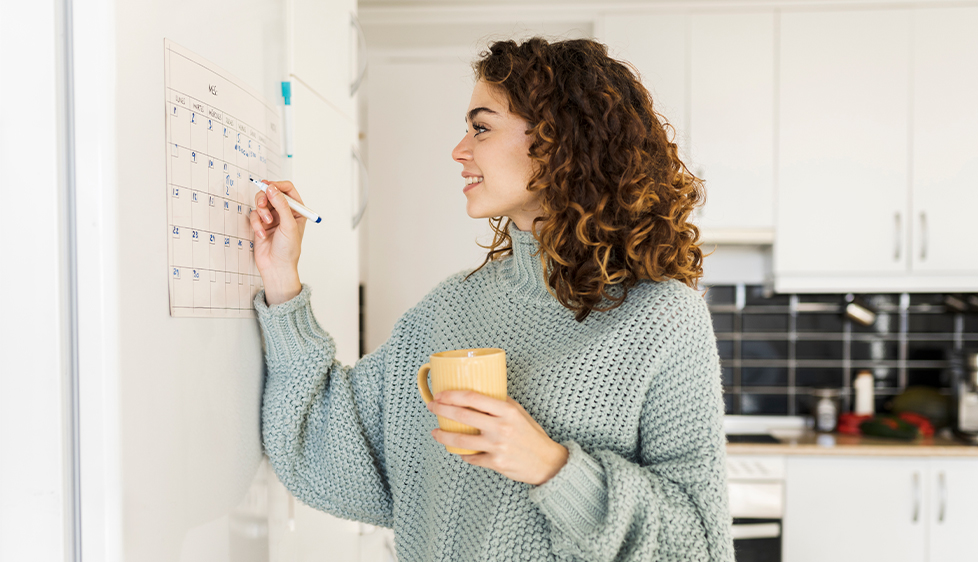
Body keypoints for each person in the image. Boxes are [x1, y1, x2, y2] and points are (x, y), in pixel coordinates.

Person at [249, 37, 733, 562]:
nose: (459, 150)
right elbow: (324, 446)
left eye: (481, 127)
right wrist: (282, 282)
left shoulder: (663, 318)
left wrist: (552, 467)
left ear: (560, 140)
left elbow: (699, 545)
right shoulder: (449, 308)